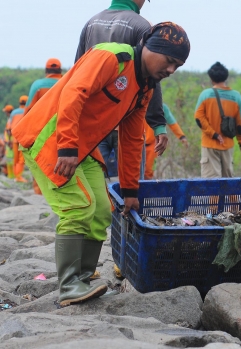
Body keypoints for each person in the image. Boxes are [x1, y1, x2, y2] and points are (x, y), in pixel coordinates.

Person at [12, 22, 190, 306]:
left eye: (177, 66)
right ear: (149, 47)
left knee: (103, 211)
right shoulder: (112, 57)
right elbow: (73, 93)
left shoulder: (144, 88)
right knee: (78, 207)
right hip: (50, 138)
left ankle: (84, 276)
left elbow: (131, 140)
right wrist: (66, 146)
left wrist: (131, 191)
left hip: (85, 149)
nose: (171, 70)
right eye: (169, 61)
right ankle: (69, 286)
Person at [76, 0, 169, 177]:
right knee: (131, 185)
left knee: (95, 183)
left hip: (93, 123)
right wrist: (158, 124)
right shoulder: (142, 26)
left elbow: (78, 70)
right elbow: (151, 77)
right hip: (126, 122)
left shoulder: (91, 22)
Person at [15, 58, 64, 192]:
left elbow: (29, 110)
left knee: (40, 162)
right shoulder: (66, 82)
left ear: (46, 71)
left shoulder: (38, 85)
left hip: (40, 131)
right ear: (60, 70)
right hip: (63, 129)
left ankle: (39, 192)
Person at [194, 62, 241, 178]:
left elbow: (198, 118)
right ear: (226, 77)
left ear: (211, 79)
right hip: (228, 146)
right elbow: (240, 124)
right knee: (228, 184)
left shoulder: (206, 95)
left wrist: (213, 134)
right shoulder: (236, 96)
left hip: (209, 145)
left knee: (211, 184)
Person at [144, 102, 189, 180]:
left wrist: (182, 137)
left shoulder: (162, 107)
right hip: (137, 142)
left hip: (152, 143)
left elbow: (172, 123)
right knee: (135, 170)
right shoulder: (138, 103)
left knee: (148, 171)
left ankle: (145, 188)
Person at [5, 96, 27, 181]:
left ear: (19, 102)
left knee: (15, 158)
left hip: (14, 138)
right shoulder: (27, 111)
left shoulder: (14, 112)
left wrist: (9, 140)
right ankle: (19, 177)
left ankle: (15, 176)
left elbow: (8, 128)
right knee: (21, 159)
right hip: (23, 139)